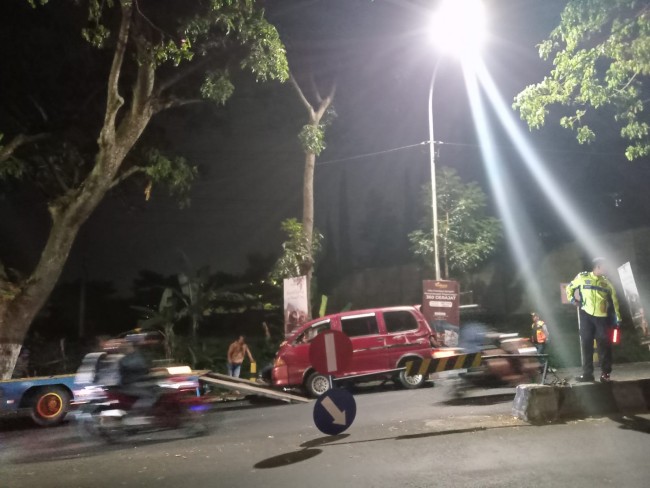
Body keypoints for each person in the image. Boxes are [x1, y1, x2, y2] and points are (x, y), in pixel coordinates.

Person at [565, 257, 622, 383]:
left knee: (605, 345)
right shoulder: (582, 277)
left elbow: (615, 302)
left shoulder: (607, 283)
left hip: (602, 318)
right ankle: (587, 374)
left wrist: (618, 319)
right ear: (598, 266)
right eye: (605, 266)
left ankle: (605, 374)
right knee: (586, 344)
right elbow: (569, 288)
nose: (607, 269)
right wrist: (573, 300)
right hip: (586, 316)